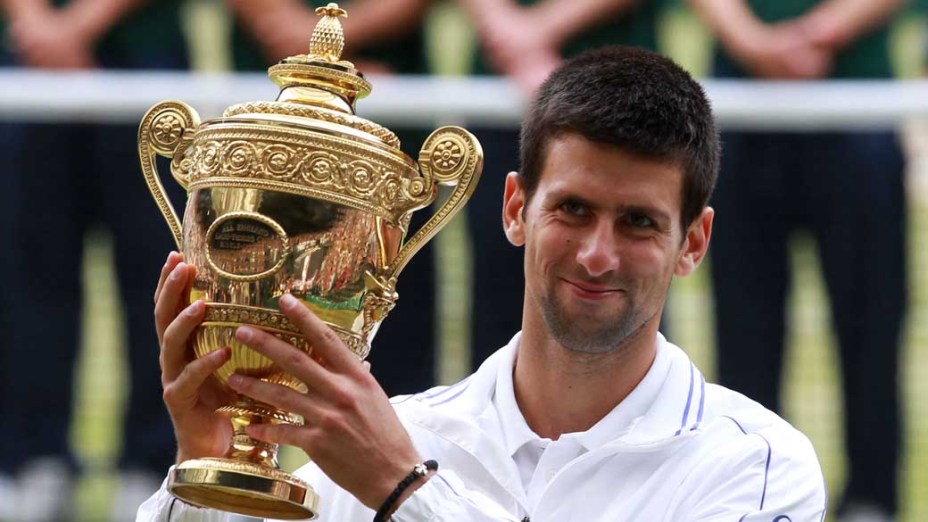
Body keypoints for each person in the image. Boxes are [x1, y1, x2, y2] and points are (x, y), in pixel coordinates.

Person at [138, 47, 827, 521]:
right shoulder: (388, 434)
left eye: (639, 223)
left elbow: (396, 482)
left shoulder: (757, 466)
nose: (595, 254)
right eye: (573, 209)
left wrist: (407, 494)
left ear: (693, 243)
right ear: (514, 209)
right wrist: (209, 469)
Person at [688, 1, 907, 520]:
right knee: (744, 330)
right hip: (743, 108)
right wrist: (753, 43)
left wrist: (818, 33)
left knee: (871, 327)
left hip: (856, 102)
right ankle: (746, 497)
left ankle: (870, 502)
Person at [0, 0, 187, 520]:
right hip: (26, 58)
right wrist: (34, 22)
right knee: (27, 271)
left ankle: (154, 464)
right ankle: (32, 459)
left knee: (161, 275)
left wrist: (78, 25)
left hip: (144, 60)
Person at [225, 0, 437, 397]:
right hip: (265, 89)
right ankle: (243, 427)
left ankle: (391, 433)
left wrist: (322, 48)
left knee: (385, 292)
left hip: (392, 93)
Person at [456, 0, 667, 368]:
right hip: (503, 88)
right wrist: (508, 29)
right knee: (499, 301)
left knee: (628, 302)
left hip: (622, 98)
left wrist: (535, 33)